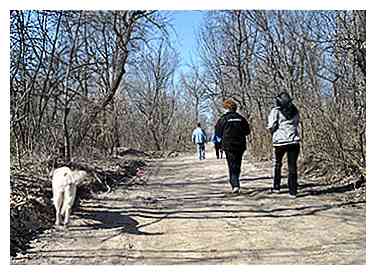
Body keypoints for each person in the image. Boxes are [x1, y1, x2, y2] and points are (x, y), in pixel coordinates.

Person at [267, 92, 301, 198]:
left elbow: (271, 125)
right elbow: (296, 123)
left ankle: (276, 187)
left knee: (277, 164)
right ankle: (293, 191)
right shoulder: (295, 110)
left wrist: (273, 130)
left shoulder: (275, 111)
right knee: (292, 166)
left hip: (279, 142)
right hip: (293, 141)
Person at [215, 99, 250, 194]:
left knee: (231, 164)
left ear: (226, 108)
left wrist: (219, 143)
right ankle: (236, 181)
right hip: (240, 145)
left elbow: (218, 133)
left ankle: (235, 184)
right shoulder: (241, 118)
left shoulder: (223, 119)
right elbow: (247, 131)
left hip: (228, 145)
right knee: (238, 164)